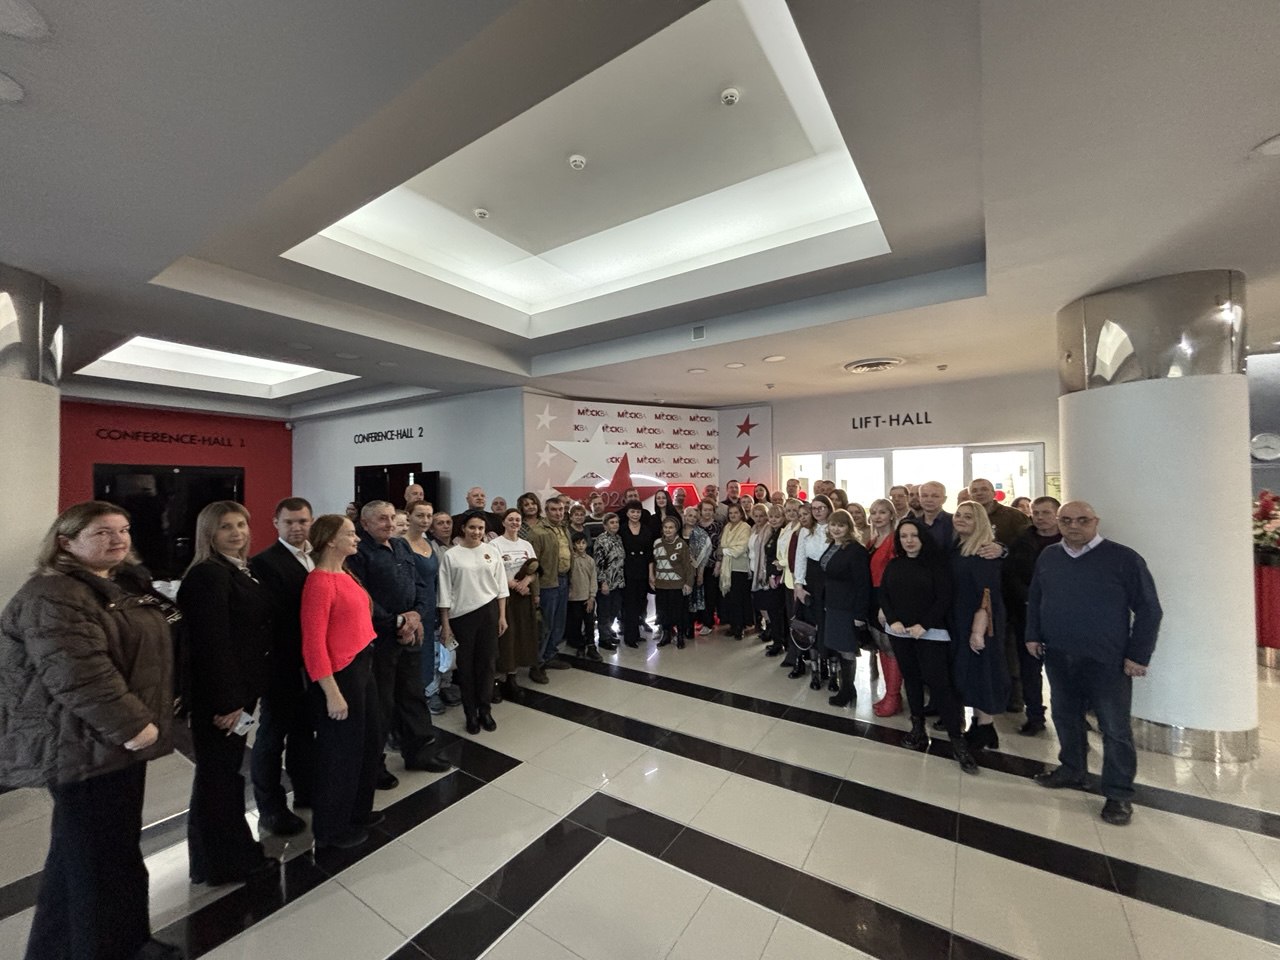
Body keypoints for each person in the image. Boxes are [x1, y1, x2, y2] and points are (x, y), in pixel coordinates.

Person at [1, 502, 183, 960]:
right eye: (102, 532)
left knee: (87, 857)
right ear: (66, 542)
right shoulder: (54, 594)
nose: (118, 539)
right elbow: (78, 673)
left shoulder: (112, 584)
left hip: (109, 744)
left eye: (123, 529)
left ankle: (92, 945)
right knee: (99, 861)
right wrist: (134, 726)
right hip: (84, 745)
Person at [1029, 501, 1162, 826]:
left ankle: (1118, 794)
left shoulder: (1123, 558)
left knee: (1114, 728)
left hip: (1106, 659)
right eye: (1066, 520)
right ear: (1058, 523)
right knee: (1065, 716)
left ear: (1095, 522)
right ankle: (1072, 770)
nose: (1074, 526)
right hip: (1059, 653)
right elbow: (1037, 597)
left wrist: (1138, 655)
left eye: (1082, 520)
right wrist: (1032, 634)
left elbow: (1149, 609)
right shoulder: (1049, 556)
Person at [177, 501, 275, 884]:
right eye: (225, 527)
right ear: (209, 534)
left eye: (241, 525)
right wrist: (228, 702)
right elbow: (211, 644)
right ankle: (225, 861)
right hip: (222, 699)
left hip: (240, 692)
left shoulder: (237, 569)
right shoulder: (208, 575)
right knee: (218, 777)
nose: (237, 533)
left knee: (221, 774)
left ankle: (213, 858)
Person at [348, 501, 449, 791]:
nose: (390, 524)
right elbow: (362, 597)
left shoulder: (401, 545)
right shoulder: (359, 553)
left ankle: (419, 753)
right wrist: (397, 622)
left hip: (410, 634)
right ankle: (374, 766)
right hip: (379, 640)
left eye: (392, 518)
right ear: (365, 524)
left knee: (413, 695)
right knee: (380, 705)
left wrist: (415, 615)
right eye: (382, 519)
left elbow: (420, 584)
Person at [299, 515, 381, 850]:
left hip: (363, 664)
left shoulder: (345, 573)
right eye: (350, 533)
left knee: (368, 742)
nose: (356, 538)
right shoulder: (319, 582)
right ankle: (331, 828)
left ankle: (357, 811)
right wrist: (332, 693)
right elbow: (313, 645)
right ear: (331, 540)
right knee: (340, 754)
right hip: (341, 675)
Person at [878, 519, 979, 774]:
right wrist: (893, 619)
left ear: (923, 537)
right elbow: (884, 594)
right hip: (900, 632)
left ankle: (957, 739)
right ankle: (917, 728)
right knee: (911, 680)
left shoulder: (937, 565)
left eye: (914, 535)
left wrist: (924, 625)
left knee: (940, 684)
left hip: (930, 633)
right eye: (904, 536)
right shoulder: (895, 564)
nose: (909, 540)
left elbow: (944, 598)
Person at [247, 497, 317, 838]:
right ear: (276, 523)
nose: (297, 528)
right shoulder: (263, 563)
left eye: (302, 521)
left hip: (312, 662)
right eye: (289, 522)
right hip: (280, 663)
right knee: (272, 737)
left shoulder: (316, 556)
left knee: (304, 731)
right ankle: (270, 808)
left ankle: (306, 790)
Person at [438, 513, 509, 734]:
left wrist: (502, 616)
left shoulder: (491, 551)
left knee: (487, 664)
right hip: (462, 616)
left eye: (480, 528)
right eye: (472, 527)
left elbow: (501, 586)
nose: (476, 532)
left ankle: (485, 710)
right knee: (466, 667)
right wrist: (446, 624)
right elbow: (444, 592)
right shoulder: (451, 555)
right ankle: (470, 713)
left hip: (489, 613)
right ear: (463, 528)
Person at [950, 501, 1010, 753]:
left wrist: (978, 630)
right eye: (958, 515)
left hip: (980, 621)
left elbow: (987, 594)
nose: (961, 519)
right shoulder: (960, 546)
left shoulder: (985, 551)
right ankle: (980, 723)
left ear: (980, 522)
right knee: (971, 671)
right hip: (961, 617)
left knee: (983, 671)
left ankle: (985, 726)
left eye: (968, 517)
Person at [1004, 496, 1062, 735]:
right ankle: (1035, 716)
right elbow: (1010, 574)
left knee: (1062, 670)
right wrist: (1029, 597)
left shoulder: (1069, 541)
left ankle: (1073, 716)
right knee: (1029, 669)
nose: (1039, 517)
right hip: (1026, 613)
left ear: (1057, 515)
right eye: (1035, 513)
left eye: (1045, 513)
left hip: (1061, 614)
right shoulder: (1021, 540)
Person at [821, 509, 872, 708]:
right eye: (833, 524)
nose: (836, 529)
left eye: (841, 525)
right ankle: (848, 688)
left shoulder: (856, 550)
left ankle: (847, 690)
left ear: (849, 527)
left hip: (847, 607)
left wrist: (859, 614)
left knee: (847, 649)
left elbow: (863, 584)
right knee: (839, 647)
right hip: (833, 605)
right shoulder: (833, 545)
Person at [495, 507, 540, 697]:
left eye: (518, 520)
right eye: (511, 519)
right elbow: (493, 570)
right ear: (503, 522)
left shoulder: (526, 544)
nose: (514, 523)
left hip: (524, 595)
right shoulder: (495, 544)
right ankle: (502, 676)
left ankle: (515, 674)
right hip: (504, 596)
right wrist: (512, 584)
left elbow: (535, 568)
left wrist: (526, 582)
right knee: (507, 636)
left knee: (522, 634)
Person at [865, 498, 903, 717]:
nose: (877, 516)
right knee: (881, 647)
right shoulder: (873, 541)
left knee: (891, 649)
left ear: (891, 515)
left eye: (882, 512)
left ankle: (893, 696)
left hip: (887, 598)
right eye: (874, 512)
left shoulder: (895, 541)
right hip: (872, 596)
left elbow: (896, 576)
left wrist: (886, 606)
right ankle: (890, 694)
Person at [526, 494, 572, 670]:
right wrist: (536, 591)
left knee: (559, 623)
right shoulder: (537, 532)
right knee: (545, 625)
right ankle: (536, 663)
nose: (558, 513)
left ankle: (550, 655)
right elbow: (533, 565)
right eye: (554, 510)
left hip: (563, 580)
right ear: (546, 511)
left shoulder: (564, 529)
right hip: (547, 584)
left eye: (561, 509)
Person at [793, 494, 833, 688]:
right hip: (810, 581)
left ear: (829, 508)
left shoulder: (834, 528)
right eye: (814, 508)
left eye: (821, 507)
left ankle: (831, 670)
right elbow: (800, 558)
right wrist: (799, 585)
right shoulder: (805, 531)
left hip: (830, 582)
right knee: (811, 627)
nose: (817, 511)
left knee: (828, 627)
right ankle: (815, 671)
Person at [401, 500, 441, 701]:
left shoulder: (429, 543)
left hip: (430, 606)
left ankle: (426, 694)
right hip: (412, 608)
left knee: (427, 655)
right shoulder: (400, 545)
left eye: (428, 516)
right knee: (412, 659)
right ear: (408, 516)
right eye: (420, 515)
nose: (425, 520)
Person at [650, 515, 695, 647]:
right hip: (661, 584)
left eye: (671, 527)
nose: (668, 530)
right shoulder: (657, 543)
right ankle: (666, 635)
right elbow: (653, 562)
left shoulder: (682, 544)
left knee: (679, 612)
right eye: (665, 527)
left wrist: (689, 583)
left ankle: (680, 636)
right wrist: (652, 577)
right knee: (663, 612)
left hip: (677, 584)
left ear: (676, 529)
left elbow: (688, 566)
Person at [768, 498, 803, 658]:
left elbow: (797, 554)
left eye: (795, 510)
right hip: (786, 577)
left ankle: (796, 655)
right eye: (788, 510)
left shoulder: (801, 529)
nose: (791, 513)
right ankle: (791, 651)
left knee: (795, 617)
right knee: (789, 616)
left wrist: (781, 563)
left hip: (795, 577)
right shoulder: (787, 528)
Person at [619, 500, 655, 646]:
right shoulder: (622, 529)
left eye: (638, 512)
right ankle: (630, 637)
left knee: (641, 603)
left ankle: (636, 633)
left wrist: (651, 575)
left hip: (643, 571)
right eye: (632, 511)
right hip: (627, 570)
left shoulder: (646, 530)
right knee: (629, 605)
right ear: (627, 513)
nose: (635, 514)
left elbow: (650, 554)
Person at [715, 502, 752, 639]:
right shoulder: (727, 527)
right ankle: (732, 624)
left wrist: (725, 551)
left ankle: (740, 627)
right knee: (729, 598)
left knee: (739, 598)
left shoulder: (745, 527)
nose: (733, 515)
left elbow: (741, 548)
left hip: (739, 567)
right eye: (730, 513)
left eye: (736, 513)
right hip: (727, 567)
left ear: (741, 514)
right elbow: (722, 544)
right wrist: (726, 550)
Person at [748, 502, 782, 646]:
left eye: (762, 516)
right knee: (759, 602)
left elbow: (768, 553)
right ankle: (768, 626)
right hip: (753, 568)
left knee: (767, 603)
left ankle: (772, 630)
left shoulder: (768, 530)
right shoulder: (753, 529)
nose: (759, 518)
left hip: (763, 571)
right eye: (756, 516)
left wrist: (765, 572)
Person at [566, 530, 600, 659]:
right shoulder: (570, 559)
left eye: (583, 543)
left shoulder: (590, 560)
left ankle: (591, 646)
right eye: (578, 543)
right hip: (574, 598)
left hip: (587, 598)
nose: (581, 546)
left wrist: (592, 597)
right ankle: (580, 645)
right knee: (576, 623)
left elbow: (593, 579)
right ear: (573, 545)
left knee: (589, 623)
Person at [593, 512, 624, 650]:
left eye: (616, 522)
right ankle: (603, 639)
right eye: (612, 522)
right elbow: (598, 563)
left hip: (618, 581)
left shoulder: (618, 538)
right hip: (606, 583)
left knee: (614, 609)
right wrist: (603, 582)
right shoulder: (601, 540)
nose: (615, 525)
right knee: (604, 612)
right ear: (605, 525)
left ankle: (608, 632)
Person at [681, 505, 712, 644]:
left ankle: (690, 628)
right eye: (689, 515)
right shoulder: (678, 531)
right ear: (685, 516)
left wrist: (700, 573)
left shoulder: (701, 534)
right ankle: (681, 627)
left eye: (694, 516)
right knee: (680, 601)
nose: (692, 519)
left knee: (692, 600)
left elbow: (705, 555)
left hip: (694, 572)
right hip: (678, 572)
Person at [969, 478, 1031, 547]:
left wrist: (1003, 549)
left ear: (994, 493)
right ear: (970, 496)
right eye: (974, 491)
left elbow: (1029, 543)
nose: (979, 493)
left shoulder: (1014, 515)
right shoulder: (965, 518)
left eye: (984, 489)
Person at [696, 498, 723, 635]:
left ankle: (708, 623)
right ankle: (701, 620)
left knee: (710, 594)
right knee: (699, 594)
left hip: (712, 565)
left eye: (710, 510)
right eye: (705, 510)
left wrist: (718, 564)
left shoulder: (718, 526)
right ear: (700, 511)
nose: (707, 512)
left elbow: (720, 546)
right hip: (697, 566)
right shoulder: (696, 526)